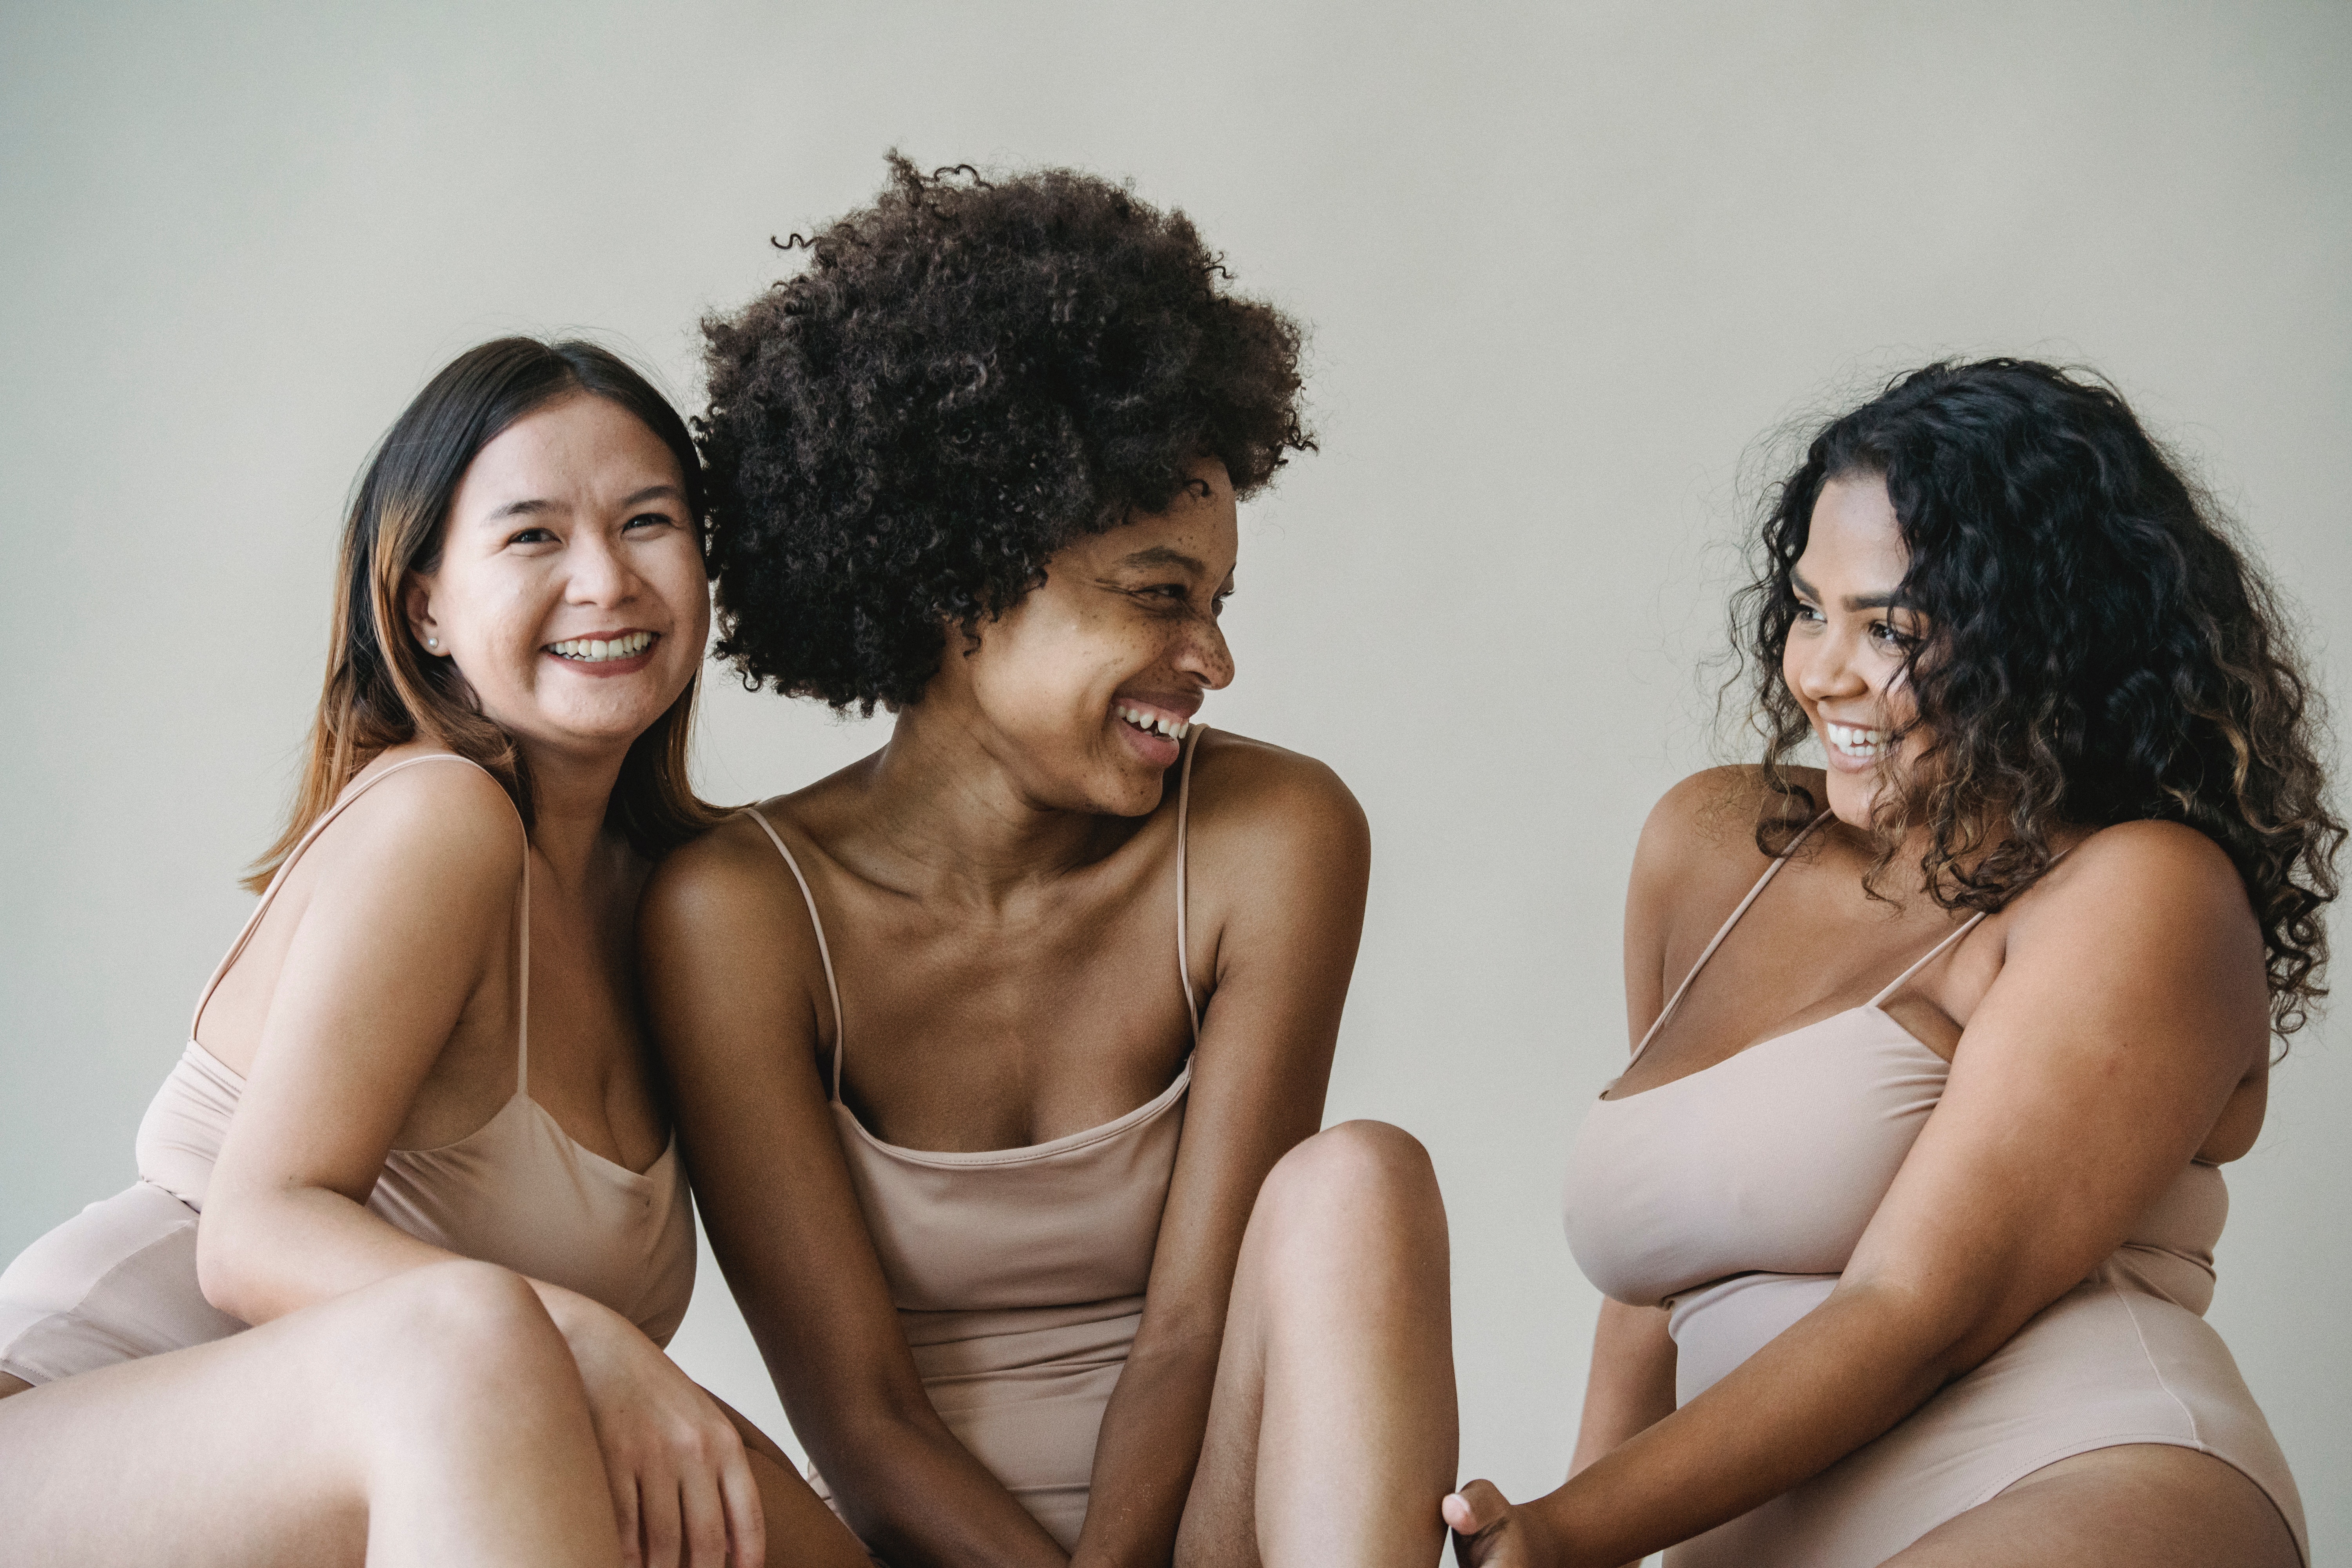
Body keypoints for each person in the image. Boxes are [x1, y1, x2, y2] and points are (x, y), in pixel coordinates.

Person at [644, 156, 1459, 1567]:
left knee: (1360, 1182)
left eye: (1217, 601)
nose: (1212, 659)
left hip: (1215, 1527)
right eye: (1159, 597)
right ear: (960, 585)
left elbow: (1192, 1331)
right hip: (929, 1549)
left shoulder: (1273, 836)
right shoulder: (739, 915)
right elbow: (865, 1422)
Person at [1446, 360, 2334, 1567]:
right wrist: (1573, 1538)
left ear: (2046, 637)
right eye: (1810, 609)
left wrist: (1563, 1533)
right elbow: (1652, 1294)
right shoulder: (1714, 845)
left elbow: (1919, 1309)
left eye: (1890, 628)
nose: (1823, 673)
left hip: (2070, 1477)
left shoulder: (2143, 893)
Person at [0, 337, 862, 1568]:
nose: (606, 580)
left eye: (649, 523)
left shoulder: (683, 908)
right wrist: (594, 1340)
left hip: (402, 1475)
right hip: (60, 1447)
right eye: (533, 536)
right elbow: (252, 1235)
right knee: (476, 1337)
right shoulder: (441, 816)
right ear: (426, 609)